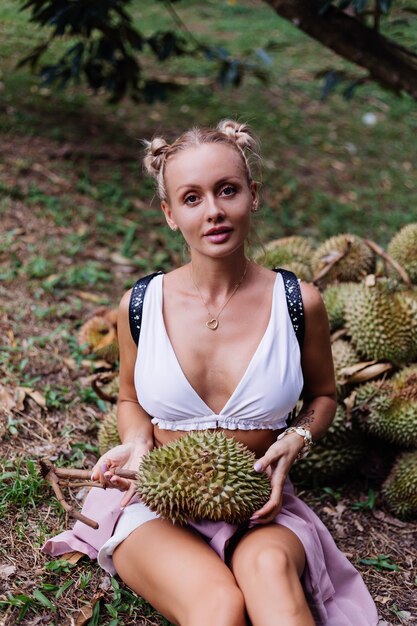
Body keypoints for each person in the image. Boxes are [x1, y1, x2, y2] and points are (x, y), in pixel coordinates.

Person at [43, 120, 379, 626]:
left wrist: (299, 437)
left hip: (257, 502)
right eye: (192, 198)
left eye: (228, 191)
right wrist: (136, 443)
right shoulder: (139, 305)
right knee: (220, 608)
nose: (215, 211)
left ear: (254, 196)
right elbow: (131, 399)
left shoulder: (298, 303)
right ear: (170, 214)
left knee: (273, 583)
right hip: (157, 501)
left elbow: (324, 394)